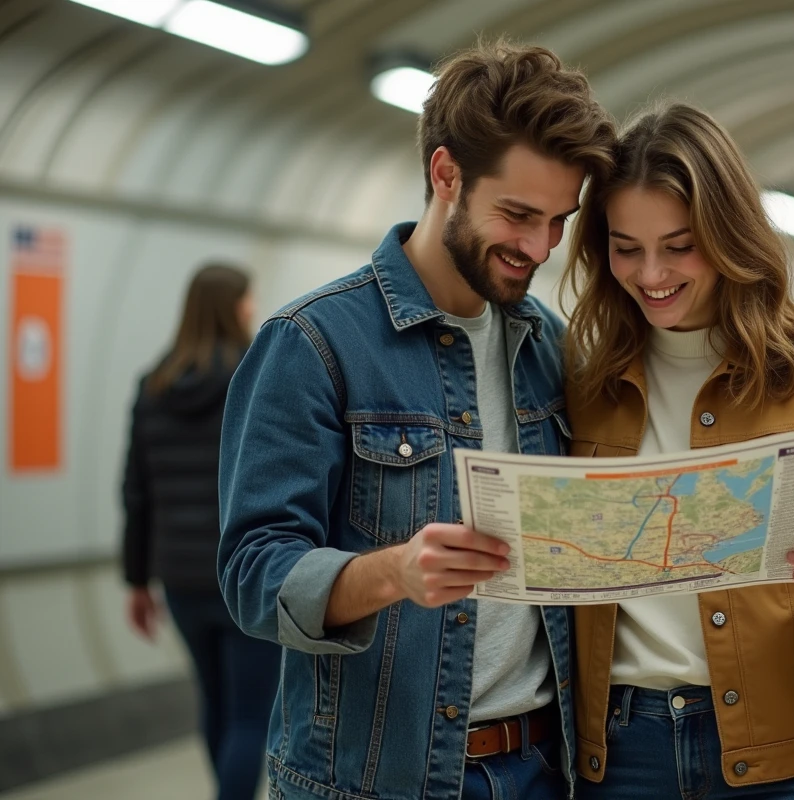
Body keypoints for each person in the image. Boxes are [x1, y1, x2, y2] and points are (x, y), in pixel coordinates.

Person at [217, 41, 615, 800]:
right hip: (379, 780)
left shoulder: (549, 348)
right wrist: (393, 572)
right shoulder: (313, 344)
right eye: (518, 215)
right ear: (446, 174)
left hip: (541, 769)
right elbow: (253, 572)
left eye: (558, 221)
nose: (538, 247)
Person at [560, 102, 794, 799]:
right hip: (620, 756)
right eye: (626, 248)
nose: (651, 273)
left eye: (679, 245)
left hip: (782, 753)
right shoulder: (582, 380)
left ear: (727, 234)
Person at [122, 263, 279, 800]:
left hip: (179, 576)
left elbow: (136, 491)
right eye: (249, 299)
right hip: (243, 571)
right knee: (251, 715)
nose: (253, 308)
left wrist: (136, 581)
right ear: (234, 307)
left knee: (215, 703)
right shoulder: (255, 375)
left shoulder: (153, 386)